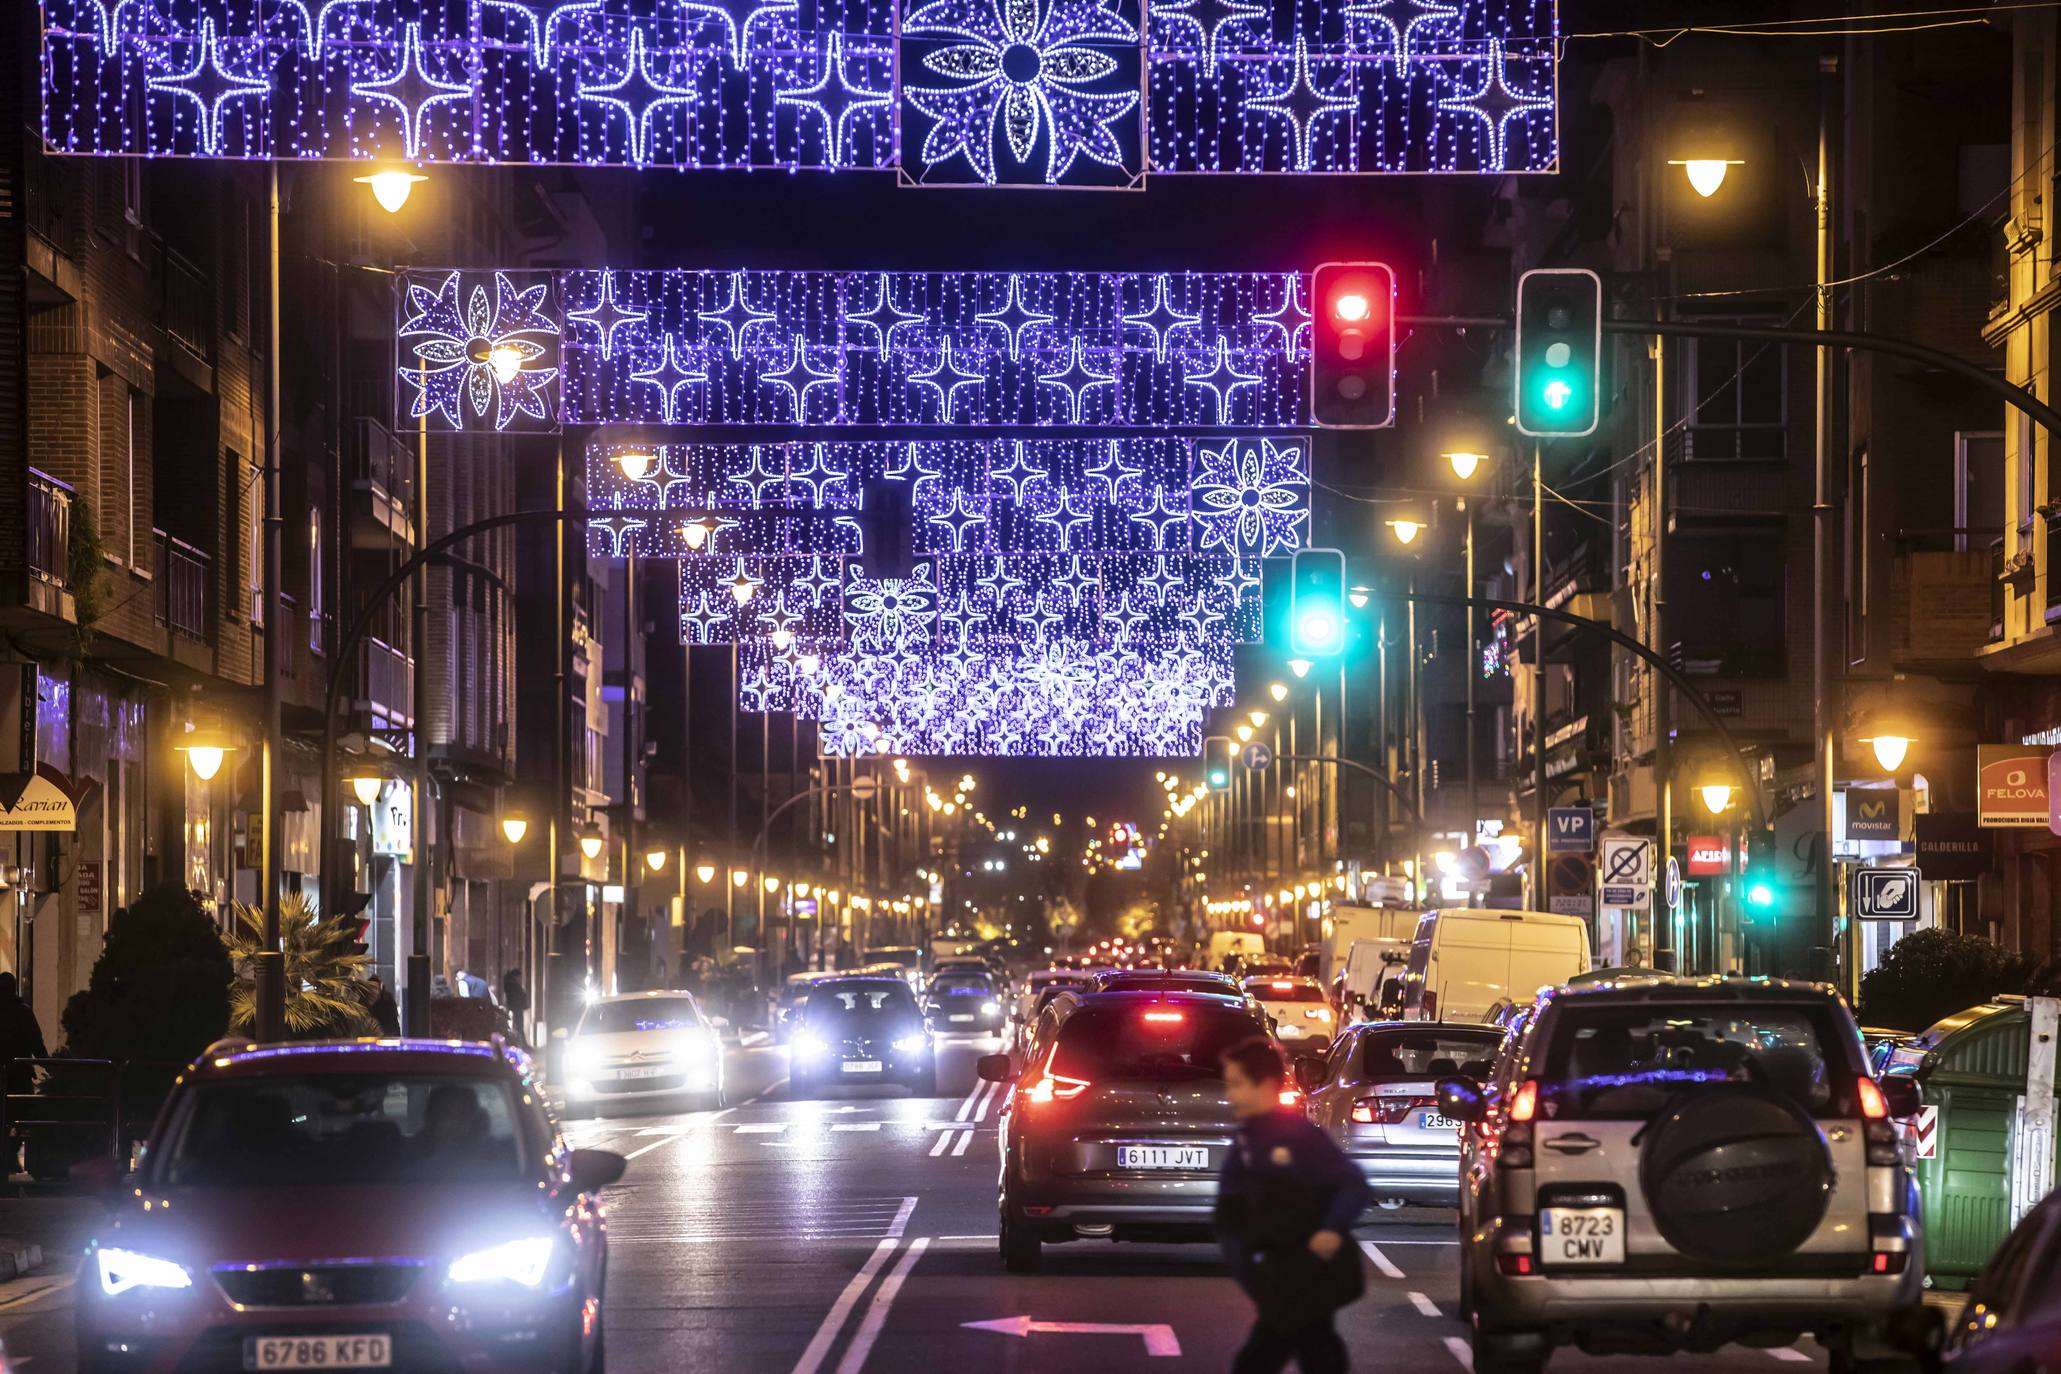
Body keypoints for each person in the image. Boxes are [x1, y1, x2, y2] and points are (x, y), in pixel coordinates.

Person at [1215, 1038, 1371, 1374]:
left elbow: (1352, 1183)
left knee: (1270, 1357)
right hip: (1279, 1278)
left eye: (1238, 1085)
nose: (1231, 1096)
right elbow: (1231, 1211)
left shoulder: (1297, 1137)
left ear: (1267, 1086)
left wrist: (1330, 1229)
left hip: (1303, 1275)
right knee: (1314, 1349)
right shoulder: (1246, 1140)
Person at [0, 973, 45, 1097]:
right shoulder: (23, 1012)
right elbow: (36, 1043)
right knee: (21, 1109)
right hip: (20, 1074)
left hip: (7, 1073)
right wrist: (48, 1065)